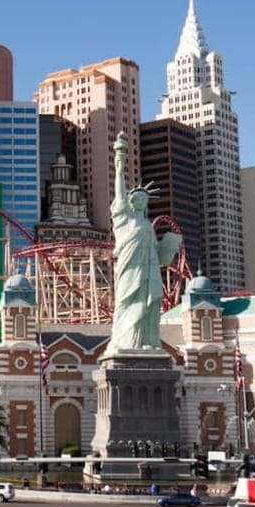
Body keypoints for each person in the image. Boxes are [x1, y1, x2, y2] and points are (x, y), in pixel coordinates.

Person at [104, 131, 164, 355]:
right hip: (130, 270)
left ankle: (146, 341)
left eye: (143, 199)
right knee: (126, 303)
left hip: (149, 272)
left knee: (148, 306)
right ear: (130, 202)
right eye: (136, 199)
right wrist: (119, 162)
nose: (139, 201)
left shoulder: (147, 224)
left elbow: (156, 252)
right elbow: (120, 191)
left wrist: (167, 247)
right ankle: (125, 340)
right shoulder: (124, 219)